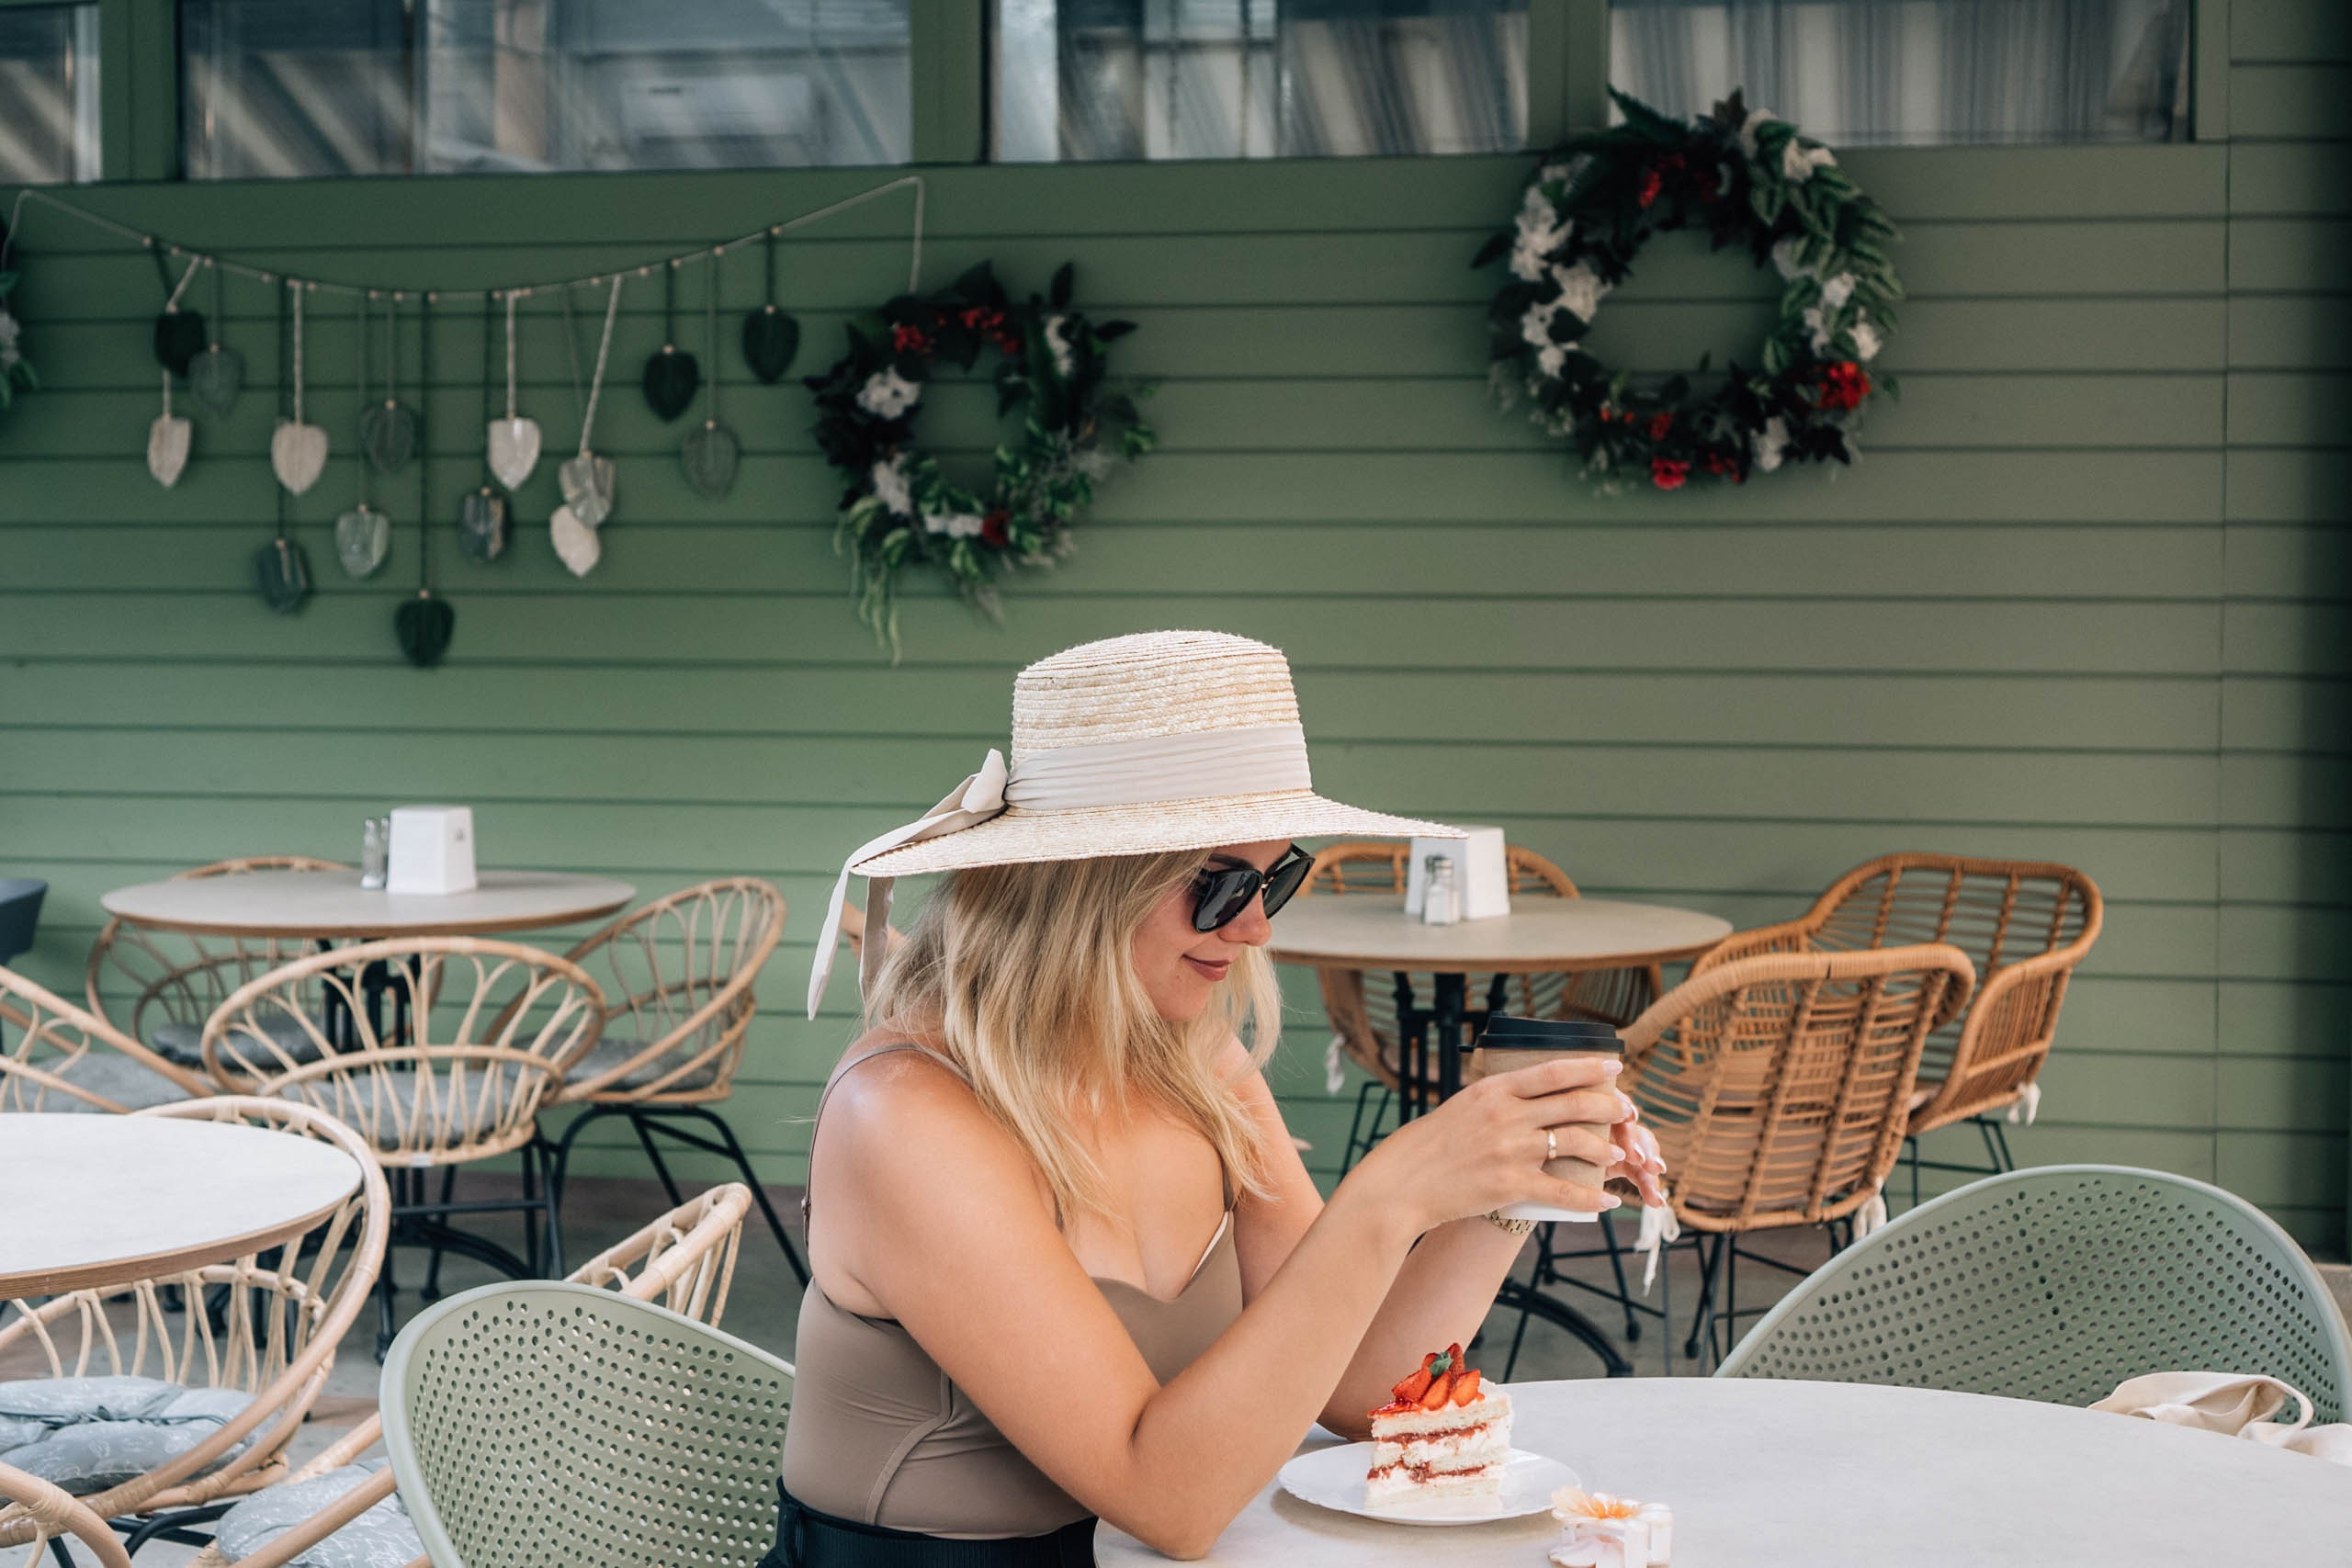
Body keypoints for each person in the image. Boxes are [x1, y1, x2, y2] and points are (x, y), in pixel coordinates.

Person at [776, 630, 1664, 1566]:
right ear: (1083, 884)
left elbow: (1366, 1392)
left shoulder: (1194, 1064)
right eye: (1219, 885)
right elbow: (1169, 1501)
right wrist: (1389, 1193)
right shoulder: (908, 1115)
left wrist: (1506, 1188)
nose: (1251, 925)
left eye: (1277, 877)